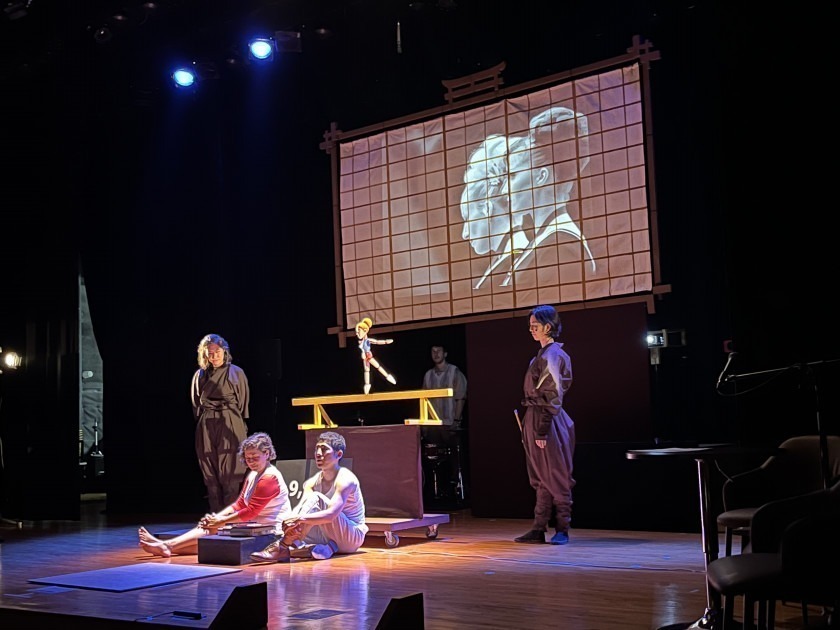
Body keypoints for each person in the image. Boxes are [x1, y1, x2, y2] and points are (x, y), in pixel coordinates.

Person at [460, 107, 595, 290]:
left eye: (512, 176)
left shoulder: (560, 244)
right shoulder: (549, 240)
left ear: (541, 176)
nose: (505, 189)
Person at [138, 432, 290, 557]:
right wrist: (217, 518)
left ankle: (166, 545)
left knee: (213, 529)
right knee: (212, 530)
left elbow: (251, 511)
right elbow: (240, 504)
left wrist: (220, 522)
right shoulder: (253, 474)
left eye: (255, 458)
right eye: (247, 458)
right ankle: (166, 546)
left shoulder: (269, 477)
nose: (251, 462)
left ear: (267, 453)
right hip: (257, 527)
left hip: (271, 533)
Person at [250, 431, 367, 562]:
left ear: (338, 454)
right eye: (317, 449)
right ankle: (324, 548)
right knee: (300, 516)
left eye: (324, 449)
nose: (318, 453)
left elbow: (331, 515)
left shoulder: (346, 479)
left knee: (316, 499)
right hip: (326, 534)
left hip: (351, 537)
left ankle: (283, 546)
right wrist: (291, 520)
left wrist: (298, 519)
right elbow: (303, 509)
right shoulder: (311, 482)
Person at [514, 304, 575, 545]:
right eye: (530, 326)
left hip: (546, 420)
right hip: (536, 417)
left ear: (548, 327)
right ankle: (539, 527)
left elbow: (552, 394)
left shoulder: (553, 355)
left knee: (555, 473)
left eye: (535, 326)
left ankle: (562, 529)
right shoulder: (541, 355)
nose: (531, 330)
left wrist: (542, 428)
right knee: (540, 475)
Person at [191, 333, 250, 512]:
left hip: (230, 420)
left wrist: (235, 421)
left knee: (231, 468)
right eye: (210, 353)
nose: (214, 356)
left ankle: (230, 515)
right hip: (207, 423)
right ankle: (216, 515)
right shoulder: (200, 375)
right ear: (204, 355)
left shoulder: (235, 372)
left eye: (217, 352)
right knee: (210, 468)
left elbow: (242, 402)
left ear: (225, 352)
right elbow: (196, 404)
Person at [421, 344, 467, 428]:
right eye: (433, 351)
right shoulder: (428, 375)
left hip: (450, 423)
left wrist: (456, 421)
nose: (436, 354)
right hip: (433, 424)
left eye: (438, 351)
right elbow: (424, 400)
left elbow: (460, 398)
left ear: (445, 354)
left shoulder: (454, 372)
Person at [354, 317, 397, 394]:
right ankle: (367, 385)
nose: (357, 334)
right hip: (365, 357)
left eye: (358, 331)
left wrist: (386, 342)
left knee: (378, 367)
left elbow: (377, 341)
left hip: (368, 356)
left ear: (365, 331)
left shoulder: (367, 340)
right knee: (367, 370)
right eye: (357, 332)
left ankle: (388, 376)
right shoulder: (361, 342)